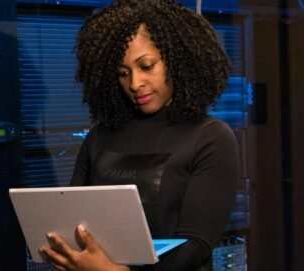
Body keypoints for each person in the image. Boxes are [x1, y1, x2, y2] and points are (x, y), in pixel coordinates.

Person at [38, 0, 240, 270]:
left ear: (177, 60)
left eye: (146, 66)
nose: (134, 84)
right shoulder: (100, 137)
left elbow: (195, 246)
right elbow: (73, 221)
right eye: (123, 73)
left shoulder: (210, 137)